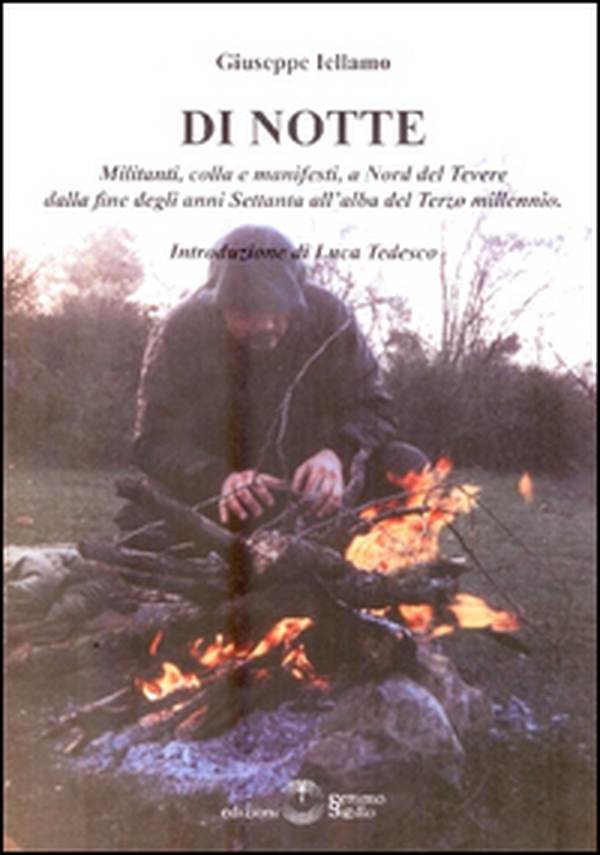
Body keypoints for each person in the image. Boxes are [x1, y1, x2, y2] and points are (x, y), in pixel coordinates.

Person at [129, 224, 427, 534]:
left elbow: (375, 409)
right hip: (223, 495)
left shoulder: (329, 316)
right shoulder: (181, 329)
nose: (266, 326)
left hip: (315, 492)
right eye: (246, 313)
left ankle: (365, 556)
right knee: (149, 508)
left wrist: (336, 454)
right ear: (218, 306)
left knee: (405, 463)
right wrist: (219, 479)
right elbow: (152, 440)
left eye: (278, 309)